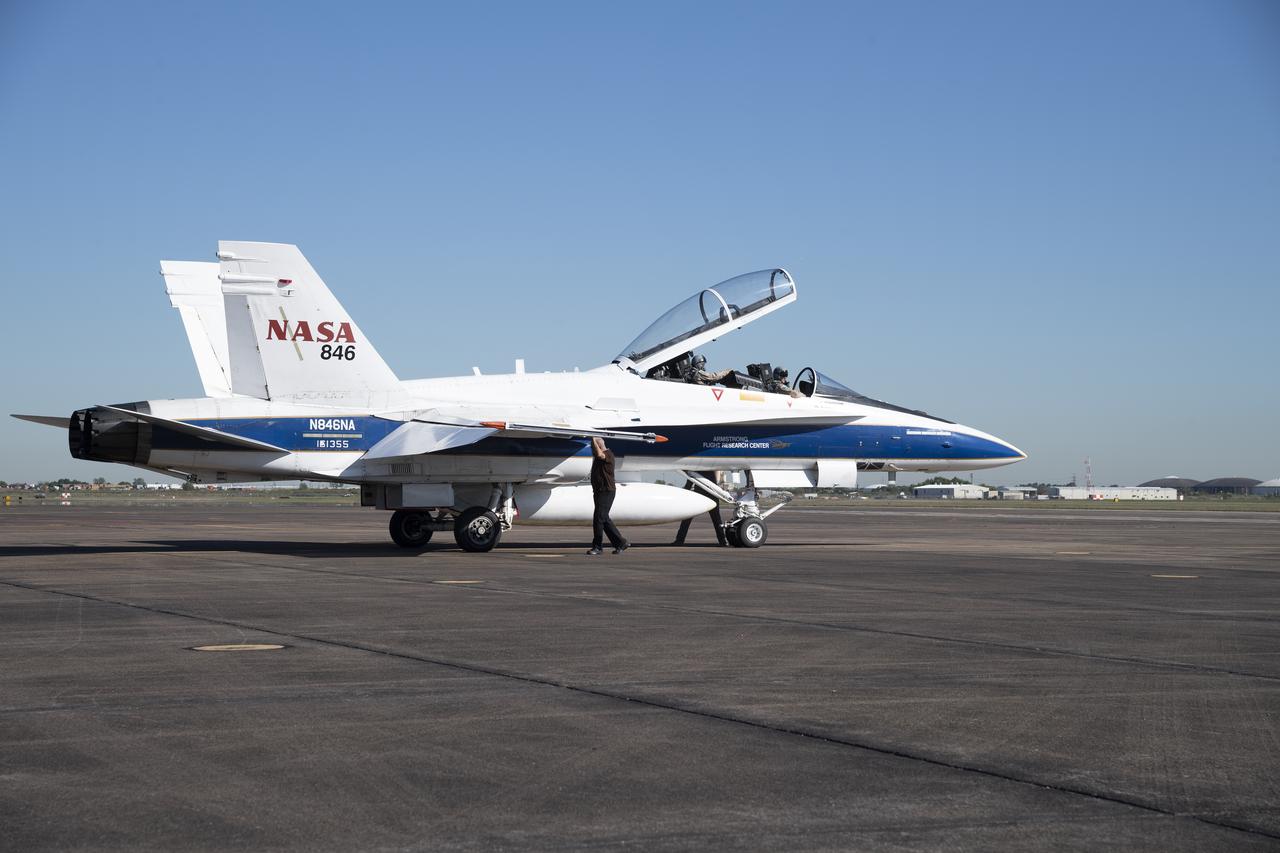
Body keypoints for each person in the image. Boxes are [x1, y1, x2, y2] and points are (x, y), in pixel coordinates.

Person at [587, 437, 629, 555]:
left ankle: (598, 547)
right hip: (600, 491)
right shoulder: (599, 456)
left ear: (599, 446)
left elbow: (600, 455)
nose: (592, 449)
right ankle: (621, 543)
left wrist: (593, 440)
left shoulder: (608, 454)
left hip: (607, 491)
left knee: (599, 519)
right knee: (603, 518)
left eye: (593, 447)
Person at [673, 471, 727, 546]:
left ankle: (679, 540)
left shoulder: (696, 465)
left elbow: (690, 478)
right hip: (711, 490)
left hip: (700, 491)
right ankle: (723, 541)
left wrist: (687, 489)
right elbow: (716, 473)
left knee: (688, 517)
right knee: (716, 519)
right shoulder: (708, 464)